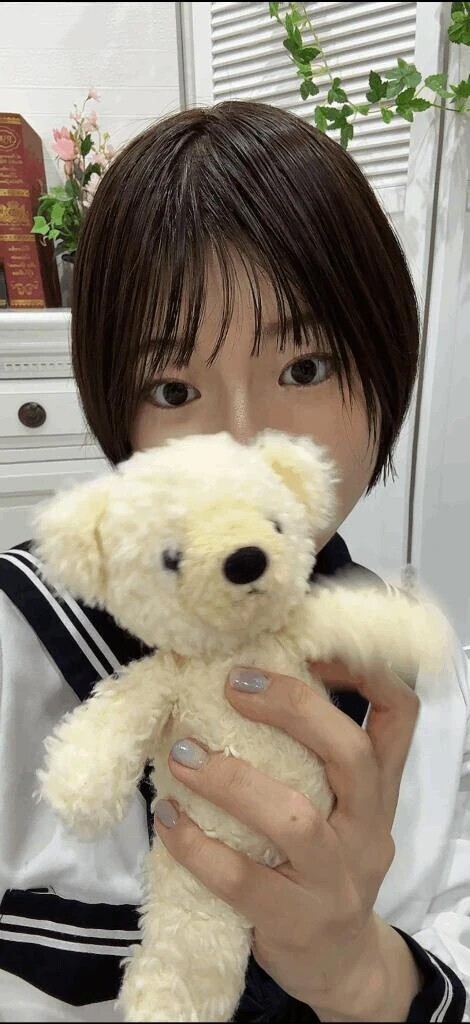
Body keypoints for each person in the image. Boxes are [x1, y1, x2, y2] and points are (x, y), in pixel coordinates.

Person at [0, 101, 468, 1024]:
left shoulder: (420, 676)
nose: (244, 441)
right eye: (173, 387)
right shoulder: (19, 637)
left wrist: (363, 975)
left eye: (306, 368)